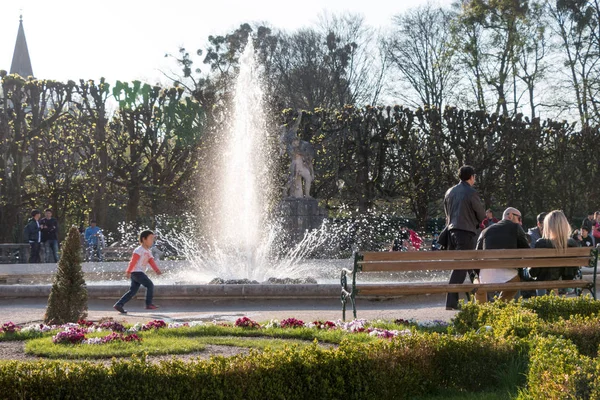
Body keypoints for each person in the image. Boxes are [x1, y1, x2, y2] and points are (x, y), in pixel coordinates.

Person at [444, 165, 487, 310]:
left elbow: (447, 214)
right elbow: (481, 215)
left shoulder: (449, 192)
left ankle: (475, 297)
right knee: (462, 267)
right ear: (472, 177)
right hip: (466, 232)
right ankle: (451, 302)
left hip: (452, 232)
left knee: (465, 266)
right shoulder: (471, 192)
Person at [474, 208, 531, 303]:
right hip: (508, 277)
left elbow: (476, 255)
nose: (520, 222)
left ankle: (481, 312)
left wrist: (477, 275)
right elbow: (527, 252)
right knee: (515, 284)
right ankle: (500, 306)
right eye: (519, 218)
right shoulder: (516, 227)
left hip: (485, 276)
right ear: (510, 215)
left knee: (478, 283)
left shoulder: (485, 231)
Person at [530, 210, 581, 296]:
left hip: (544, 280)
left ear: (547, 226)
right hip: (564, 280)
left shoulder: (541, 243)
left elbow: (534, 272)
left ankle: (542, 302)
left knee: (531, 273)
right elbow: (573, 270)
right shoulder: (572, 243)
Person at [113, 230, 163, 313]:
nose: (152, 241)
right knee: (150, 285)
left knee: (132, 291)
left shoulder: (148, 251)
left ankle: (119, 304)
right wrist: (128, 271)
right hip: (137, 272)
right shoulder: (139, 250)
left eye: (153, 239)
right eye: (150, 238)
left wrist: (157, 270)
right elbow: (133, 261)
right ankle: (148, 304)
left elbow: (151, 262)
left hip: (137, 273)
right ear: (144, 239)